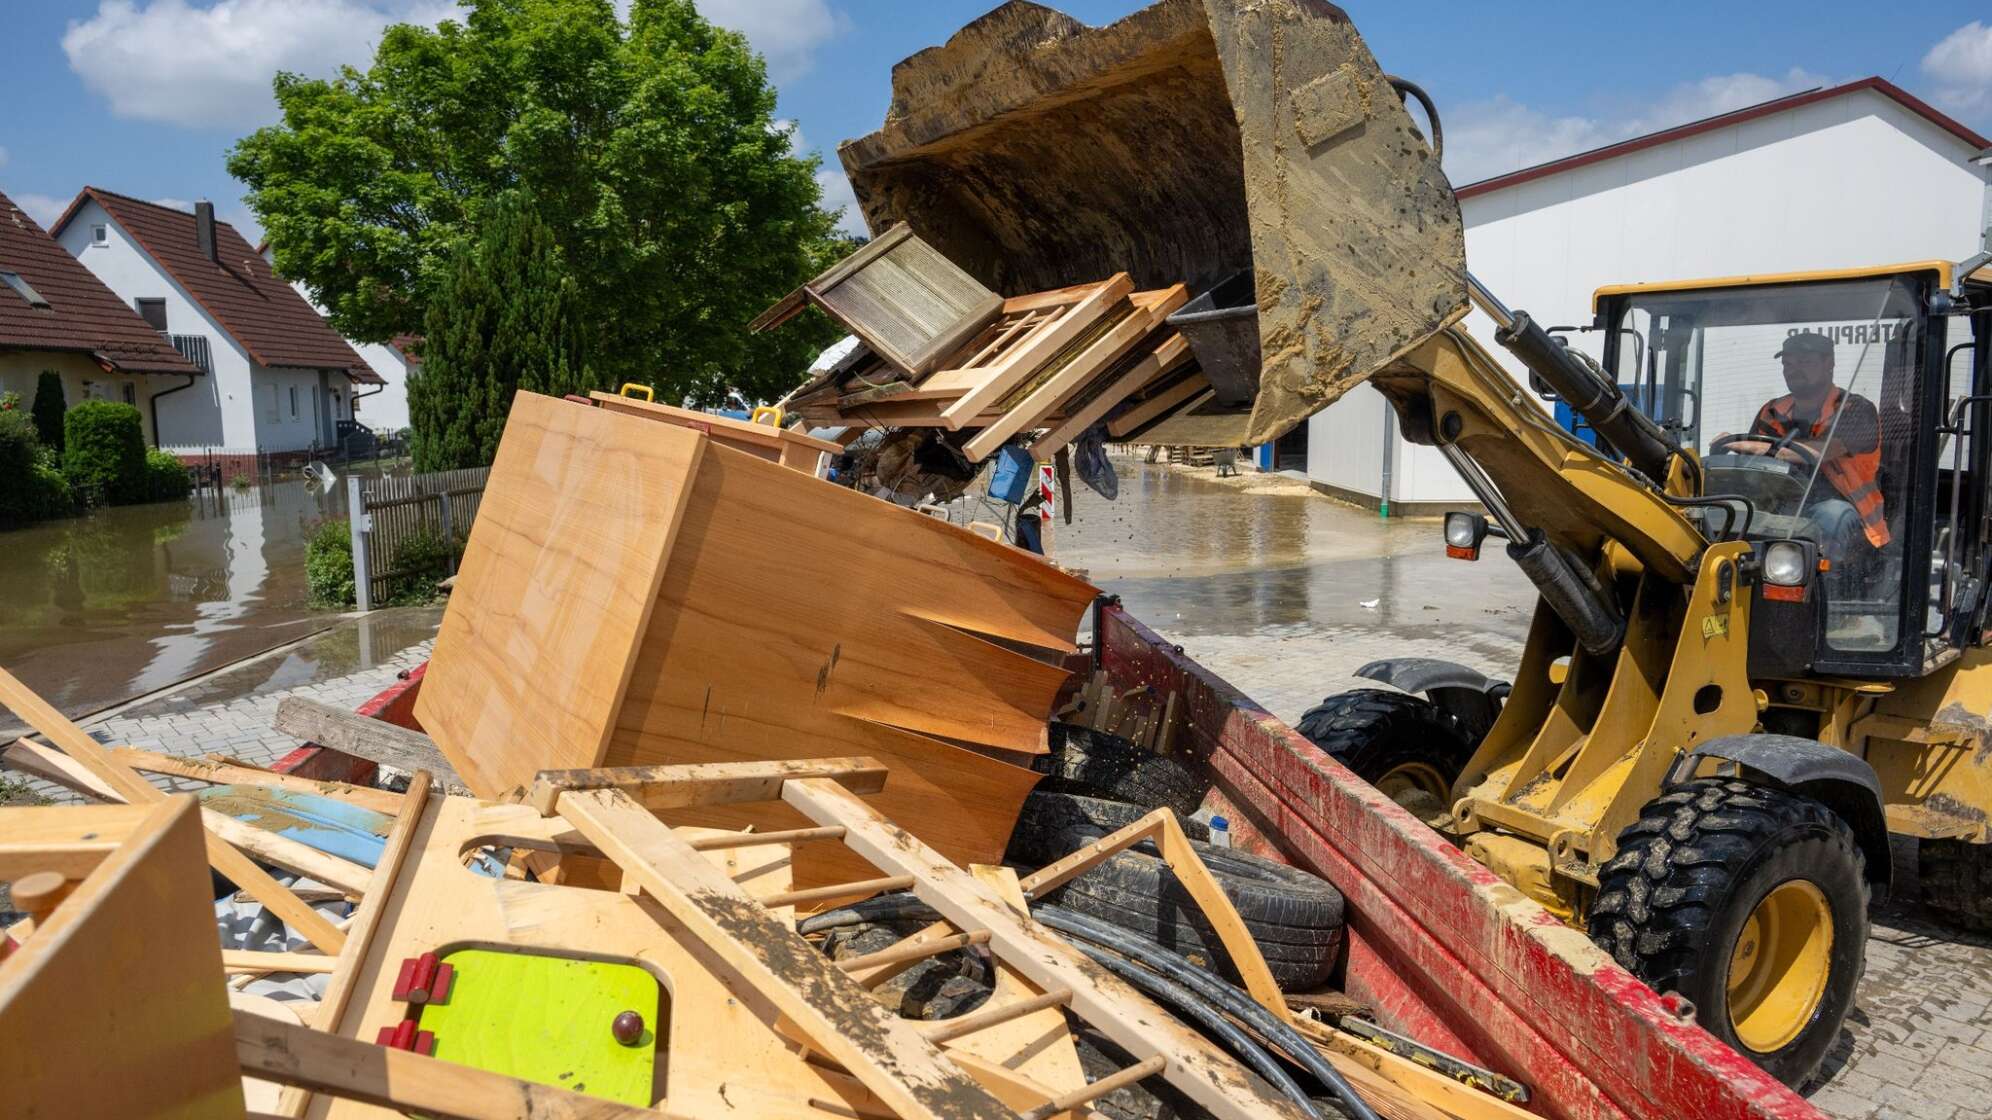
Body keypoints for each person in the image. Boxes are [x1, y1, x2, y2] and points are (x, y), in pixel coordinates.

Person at [1721, 331, 1890, 563]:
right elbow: (1754, 465)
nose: (1793, 369)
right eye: (1787, 364)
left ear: (1829, 363)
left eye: (1805, 362)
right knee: (1729, 511)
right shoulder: (1771, 411)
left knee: (1832, 514)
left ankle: (1820, 593)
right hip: (1781, 506)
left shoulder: (1856, 409)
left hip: (1851, 514)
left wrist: (1752, 446)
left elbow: (1819, 451)